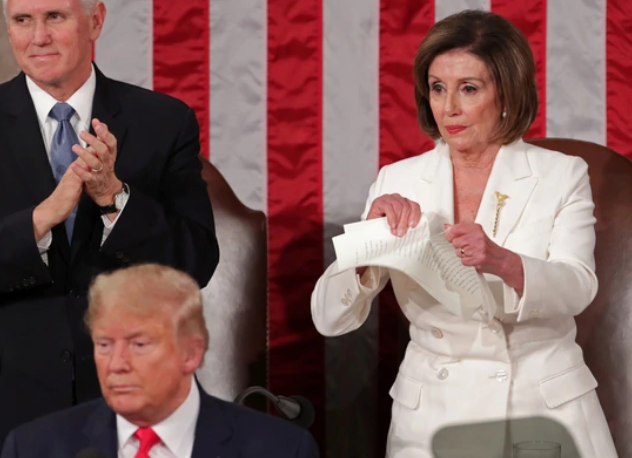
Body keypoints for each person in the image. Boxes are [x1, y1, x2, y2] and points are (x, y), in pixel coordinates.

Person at [311, 9, 617, 458]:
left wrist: (504, 262)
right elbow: (330, 319)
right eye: (437, 88)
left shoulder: (562, 174)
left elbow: (577, 288)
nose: (448, 107)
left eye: (468, 88)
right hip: (434, 411)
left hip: (540, 408)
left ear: (507, 93)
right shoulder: (398, 180)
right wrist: (365, 251)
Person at [0, 0, 219, 446]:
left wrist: (113, 197)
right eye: (23, 20)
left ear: (95, 20)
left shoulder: (164, 121)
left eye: (54, 17)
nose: (37, 37)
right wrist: (42, 219)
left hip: (130, 397)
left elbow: (194, 263)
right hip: (10, 400)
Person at [0, 264, 319, 458]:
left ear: (192, 353)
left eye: (139, 344)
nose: (117, 364)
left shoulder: (280, 450)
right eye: (104, 344)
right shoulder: (33, 449)